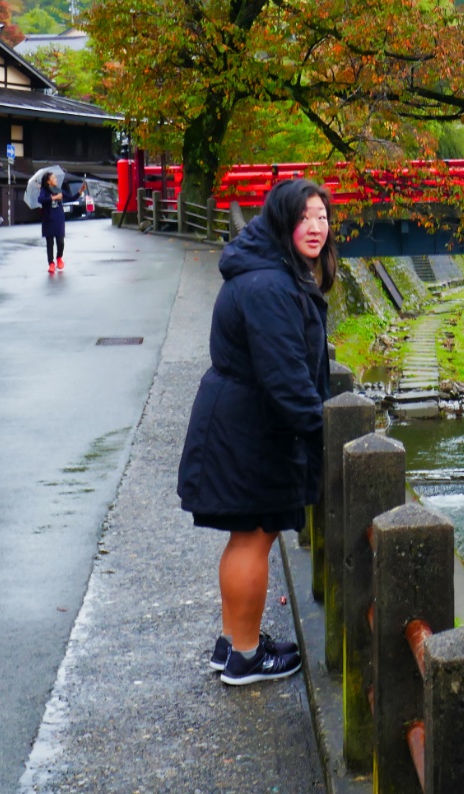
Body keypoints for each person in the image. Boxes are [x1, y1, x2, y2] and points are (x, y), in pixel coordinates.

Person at [176, 179, 335, 685]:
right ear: (281, 222)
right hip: (249, 428)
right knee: (253, 536)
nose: (316, 227)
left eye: (323, 217)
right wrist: (324, 435)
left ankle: (233, 642)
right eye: (305, 217)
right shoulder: (268, 286)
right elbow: (286, 380)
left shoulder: (265, 272)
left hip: (240, 420)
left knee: (247, 535)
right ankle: (244, 657)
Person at [38, 172, 67, 273]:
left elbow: (70, 197)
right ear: (48, 181)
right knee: (50, 243)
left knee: (60, 241)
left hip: (59, 218)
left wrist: (80, 192)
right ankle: (51, 263)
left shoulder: (58, 190)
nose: (56, 179)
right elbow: (41, 199)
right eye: (53, 178)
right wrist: (54, 197)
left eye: (55, 178)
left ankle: (59, 258)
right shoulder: (44, 190)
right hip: (48, 219)